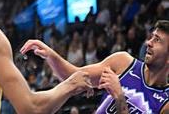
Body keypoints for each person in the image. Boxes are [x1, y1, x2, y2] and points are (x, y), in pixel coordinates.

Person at [20, 20, 169, 113]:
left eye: (157, 40)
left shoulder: (166, 103)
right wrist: (51, 56)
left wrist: (119, 98)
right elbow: (75, 77)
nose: (149, 42)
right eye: (151, 37)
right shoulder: (123, 63)